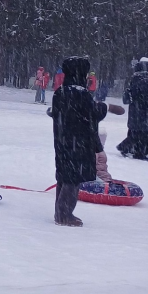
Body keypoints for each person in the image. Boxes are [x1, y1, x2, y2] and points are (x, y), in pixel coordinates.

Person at [48, 56, 108, 227]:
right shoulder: (82, 94)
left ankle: (60, 212)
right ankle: (64, 215)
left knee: (64, 176)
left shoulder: (60, 92)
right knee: (73, 179)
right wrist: (104, 107)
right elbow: (93, 115)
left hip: (62, 141)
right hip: (79, 142)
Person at [117, 57, 148, 161]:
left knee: (137, 132)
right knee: (143, 132)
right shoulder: (147, 79)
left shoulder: (135, 78)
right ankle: (136, 152)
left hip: (135, 110)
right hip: (144, 110)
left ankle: (129, 149)